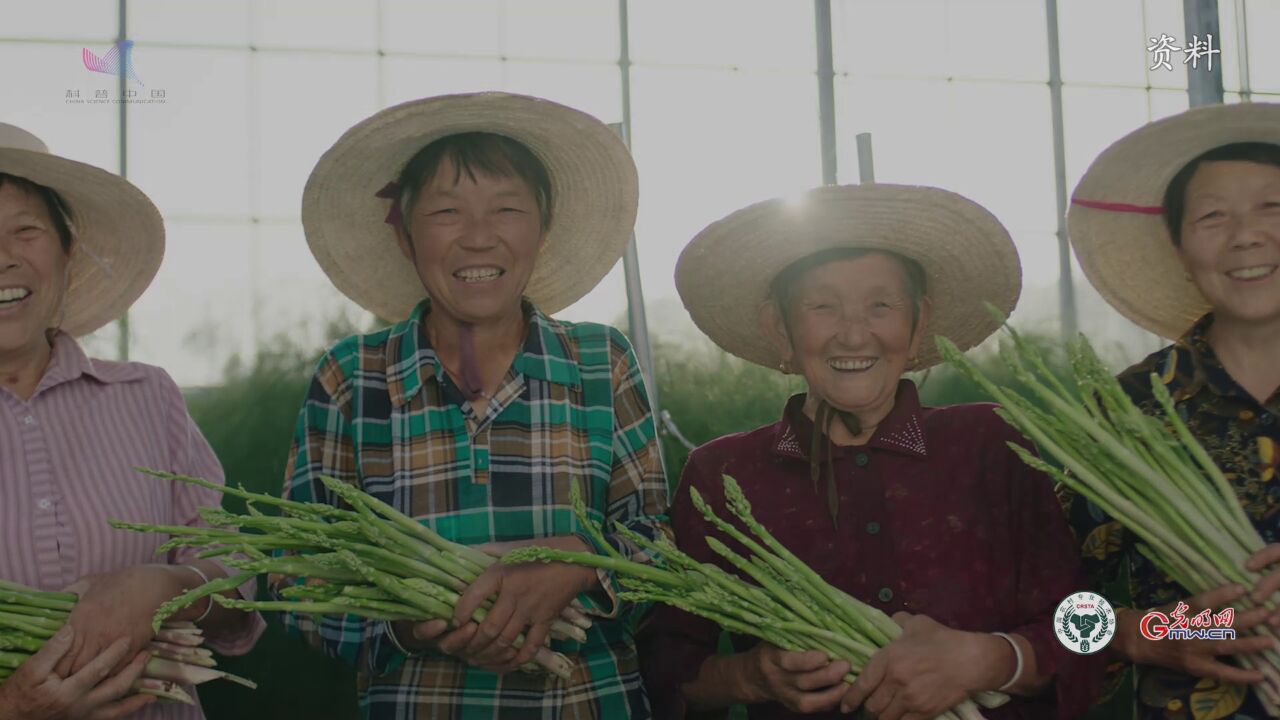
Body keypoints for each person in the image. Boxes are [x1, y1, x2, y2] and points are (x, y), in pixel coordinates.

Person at [642, 183, 1103, 719]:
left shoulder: (995, 443)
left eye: (881, 305)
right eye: (822, 307)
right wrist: (750, 676)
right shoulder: (722, 475)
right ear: (780, 329)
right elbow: (661, 660)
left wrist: (987, 659)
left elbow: (1093, 624)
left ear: (918, 323)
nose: (854, 335)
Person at [278, 92, 670, 718]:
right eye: (446, 212)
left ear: (542, 231)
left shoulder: (601, 363)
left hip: (587, 702)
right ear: (405, 237)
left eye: (508, 209)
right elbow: (296, 574)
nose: (479, 238)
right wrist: (408, 624)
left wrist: (583, 564)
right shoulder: (352, 378)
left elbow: (659, 543)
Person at [0, 123, 264, 719]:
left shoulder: (148, 396)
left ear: (67, 250)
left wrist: (169, 588)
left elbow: (243, 583)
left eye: (25, 230)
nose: (3, 256)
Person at [1066, 102, 1280, 718]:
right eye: (1213, 216)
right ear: (1179, 248)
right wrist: (1152, 634)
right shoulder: (1125, 411)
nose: (1246, 235)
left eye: (1272, 206)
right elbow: (1051, 618)